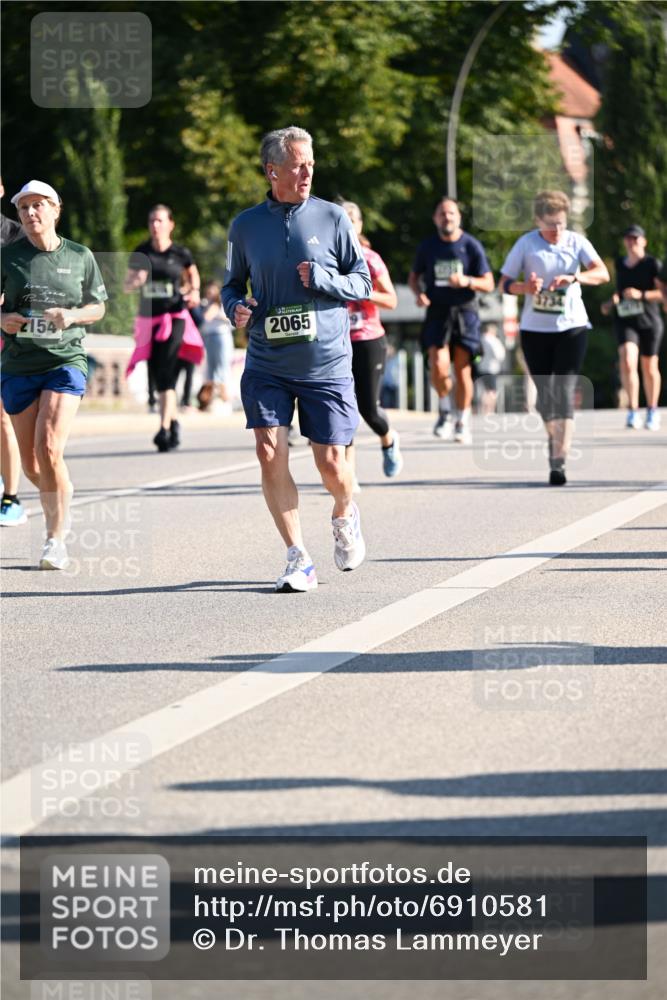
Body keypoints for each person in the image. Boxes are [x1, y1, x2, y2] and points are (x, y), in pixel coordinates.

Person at [222, 126, 371, 593]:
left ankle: (345, 513)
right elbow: (231, 285)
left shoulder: (332, 218)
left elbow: (362, 284)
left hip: (325, 363)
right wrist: (235, 308)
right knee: (269, 452)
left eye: (310, 164)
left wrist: (325, 278)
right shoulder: (245, 225)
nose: (307, 172)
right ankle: (297, 556)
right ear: (273, 171)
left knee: (331, 466)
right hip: (267, 359)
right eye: (297, 165)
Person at [0, 180, 107, 568]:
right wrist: (4, 319)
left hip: (65, 361)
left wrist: (73, 315)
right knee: (32, 465)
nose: (30, 214)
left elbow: (97, 307)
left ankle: (54, 539)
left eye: (38, 206)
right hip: (18, 366)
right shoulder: (7, 257)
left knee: (49, 448)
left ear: (55, 210)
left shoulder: (80, 256)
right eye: (24, 208)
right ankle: (60, 492)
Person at [499, 190, 610, 485]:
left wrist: (575, 278)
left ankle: (558, 460)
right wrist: (526, 288)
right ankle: (555, 438)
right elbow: (504, 283)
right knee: (544, 401)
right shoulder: (526, 244)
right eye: (550, 225)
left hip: (572, 327)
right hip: (535, 330)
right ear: (538, 220)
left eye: (561, 224)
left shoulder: (576, 242)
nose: (556, 231)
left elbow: (602, 273)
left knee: (562, 392)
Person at [408, 198, 494, 443]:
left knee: (462, 369)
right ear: (436, 218)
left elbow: (488, 282)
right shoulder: (428, 247)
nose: (447, 218)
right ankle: (445, 411)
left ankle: (462, 421)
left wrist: (467, 281)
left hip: (465, 312)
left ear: (459, 217)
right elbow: (414, 277)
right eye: (442, 214)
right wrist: (419, 294)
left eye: (451, 213)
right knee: (438, 365)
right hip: (437, 311)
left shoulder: (471, 246)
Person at [124, 204, 204, 451]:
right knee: (157, 371)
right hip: (149, 319)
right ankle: (173, 420)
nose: (155, 226)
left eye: (159, 221)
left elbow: (193, 275)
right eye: (151, 221)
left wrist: (194, 292)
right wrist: (135, 281)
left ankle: (164, 428)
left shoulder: (180, 253)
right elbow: (126, 285)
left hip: (175, 316)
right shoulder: (141, 252)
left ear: (171, 224)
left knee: (166, 370)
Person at [340, 201, 402, 486]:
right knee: (343, 408)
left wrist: (364, 291)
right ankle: (348, 476)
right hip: (336, 341)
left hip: (368, 339)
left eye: (352, 219)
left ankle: (388, 440)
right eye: (341, 219)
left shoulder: (370, 259)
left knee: (368, 409)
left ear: (360, 225)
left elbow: (391, 300)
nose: (347, 224)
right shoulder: (328, 258)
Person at [601, 224, 663, 431]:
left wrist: (641, 295)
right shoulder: (620, 264)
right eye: (628, 238)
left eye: (635, 238)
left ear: (643, 241)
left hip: (649, 321)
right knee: (627, 360)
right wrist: (611, 302)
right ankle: (633, 410)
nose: (631, 242)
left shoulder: (653, 264)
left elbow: (663, 294)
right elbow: (619, 292)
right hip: (626, 319)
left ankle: (652, 410)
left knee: (649, 367)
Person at [0, 176, 27, 527]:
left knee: (3, 418)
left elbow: (29, 287)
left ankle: (11, 497)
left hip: (4, 334)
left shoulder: (13, 235)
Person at [193, 280, 235, 413]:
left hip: (221, 337)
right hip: (209, 338)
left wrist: (218, 314)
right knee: (211, 370)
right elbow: (202, 320)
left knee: (222, 367)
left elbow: (233, 322)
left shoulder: (222, 305)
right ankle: (208, 401)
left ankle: (225, 400)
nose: (210, 293)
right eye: (208, 291)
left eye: (212, 291)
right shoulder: (206, 305)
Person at [476, 323, 507, 415]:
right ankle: (489, 409)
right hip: (491, 368)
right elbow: (499, 355)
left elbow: (477, 356)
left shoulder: (480, 340)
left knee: (485, 390)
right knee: (492, 391)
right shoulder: (493, 340)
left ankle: (483, 409)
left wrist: (479, 362)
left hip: (481, 368)